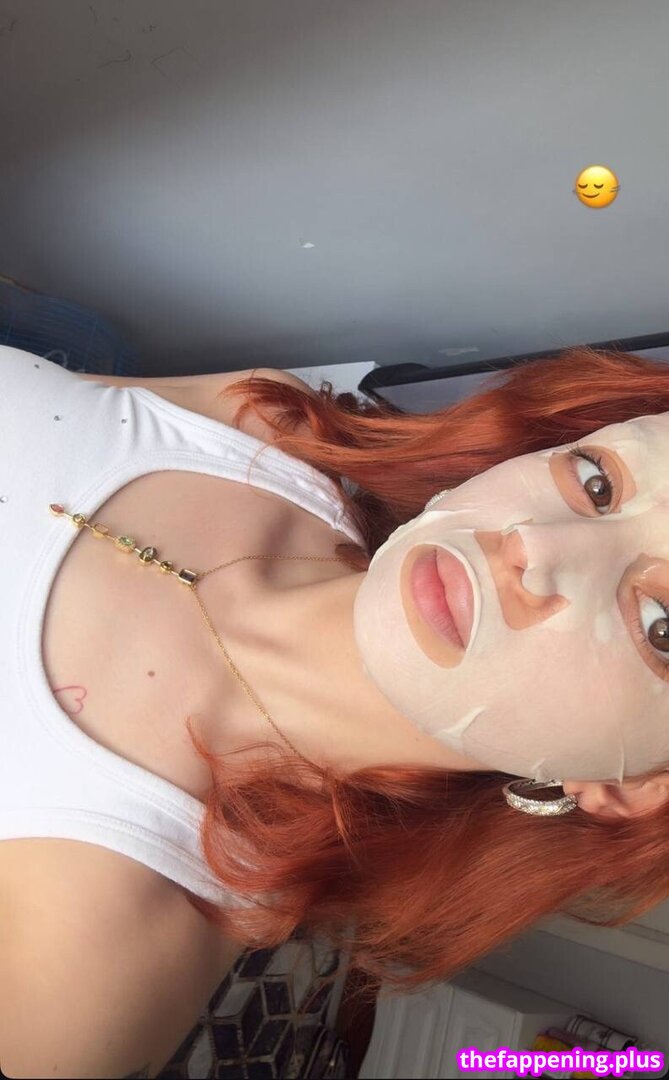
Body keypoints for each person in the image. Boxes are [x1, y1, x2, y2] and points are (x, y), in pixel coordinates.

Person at [3, 342, 669, 1077]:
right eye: (597, 482)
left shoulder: (83, 987)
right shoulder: (258, 422)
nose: (534, 544)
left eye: (660, 626)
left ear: (634, 785)